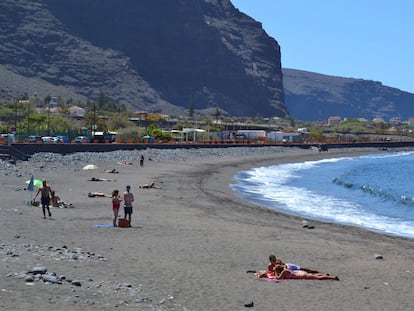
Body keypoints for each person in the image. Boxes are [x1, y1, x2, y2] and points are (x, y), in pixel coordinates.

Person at [274, 264, 339, 281]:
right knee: (312, 275)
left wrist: (276, 273)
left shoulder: (284, 271)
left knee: (318, 278)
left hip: (302, 275)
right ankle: (325, 274)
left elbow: (279, 278)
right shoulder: (285, 269)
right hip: (301, 273)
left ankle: (332, 277)